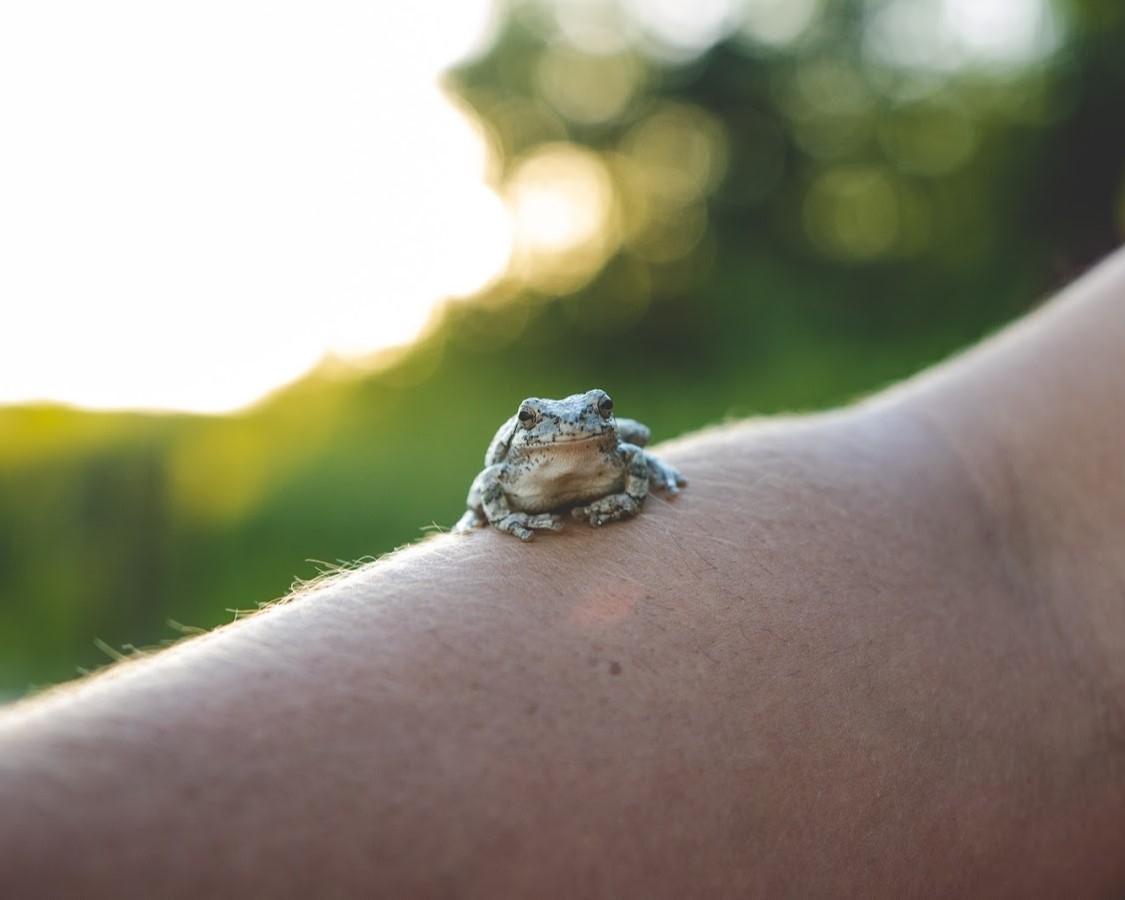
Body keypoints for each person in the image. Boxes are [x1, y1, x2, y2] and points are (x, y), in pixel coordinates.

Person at [2, 249, 1124, 897]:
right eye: (560, 422)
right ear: (533, 431)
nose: (578, 429)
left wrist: (640, 491)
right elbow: (490, 506)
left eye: (588, 422)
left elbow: (636, 468)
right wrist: (513, 537)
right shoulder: (517, 460)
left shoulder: (604, 448)